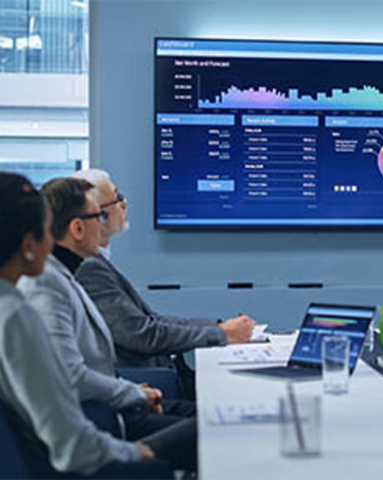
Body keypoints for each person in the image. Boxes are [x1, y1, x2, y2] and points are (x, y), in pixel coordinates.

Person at [0, 172, 173, 478]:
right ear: (29, 244)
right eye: (46, 231)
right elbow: (70, 442)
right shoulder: (16, 315)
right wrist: (130, 451)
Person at [72, 169, 256, 397]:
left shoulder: (97, 262)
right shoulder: (89, 268)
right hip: (149, 383)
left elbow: (152, 321)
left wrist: (218, 327)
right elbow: (142, 334)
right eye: (117, 197)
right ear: (98, 215)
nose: (125, 203)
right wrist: (221, 334)